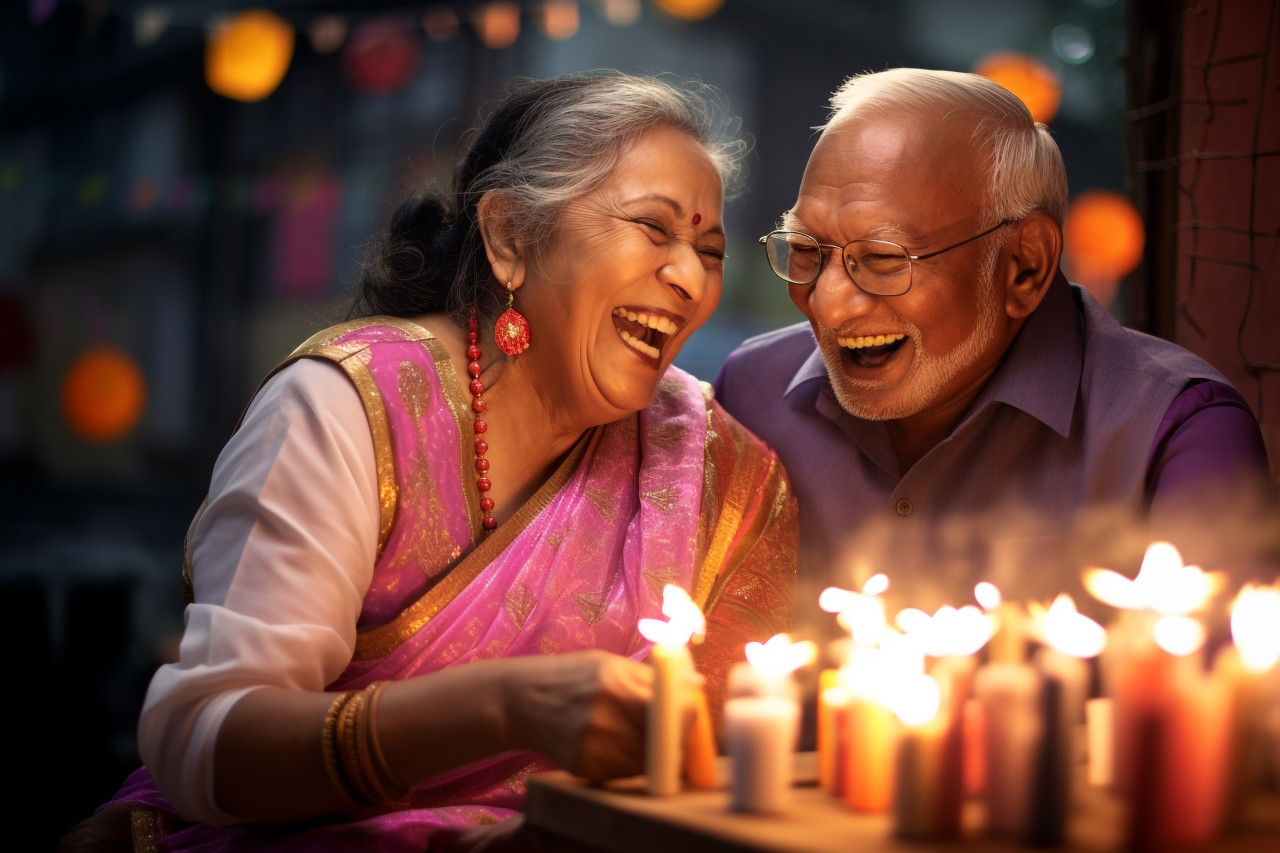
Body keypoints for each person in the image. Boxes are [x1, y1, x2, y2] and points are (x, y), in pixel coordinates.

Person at [60, 72, 798, 852]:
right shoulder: (351, 409)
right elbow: (207, 741)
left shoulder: (719, 472)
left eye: (709, 250)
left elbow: (713, 772)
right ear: (511, 237)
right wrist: (501, 705)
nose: (689, 279)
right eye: (653, 229)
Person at [714, 67, 1270, 625]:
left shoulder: (1175, 431)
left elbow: (1209, 695)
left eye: (883, 259)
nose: (828, 305)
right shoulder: (751, 399)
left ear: (1024, 267)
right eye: (807, 250)